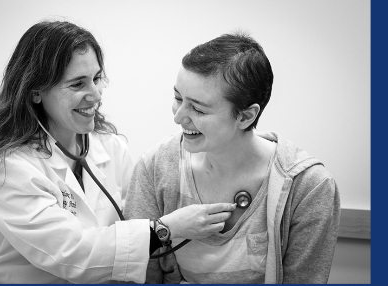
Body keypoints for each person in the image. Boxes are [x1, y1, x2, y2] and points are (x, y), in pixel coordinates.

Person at [0, 20, 233, 284]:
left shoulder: (110, 147)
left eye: (97, 78)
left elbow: (134, 220)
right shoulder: (8, 167)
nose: (97, 94)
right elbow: (72, 255)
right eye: (78, 84)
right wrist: (167, 229)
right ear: (35, 91)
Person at [126, 33, 340, 284]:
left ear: (246, 116)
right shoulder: (155, 167)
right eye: (177, 98)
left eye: (198, 108)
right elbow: (137, 274)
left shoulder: (309, 187)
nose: (178, 117)